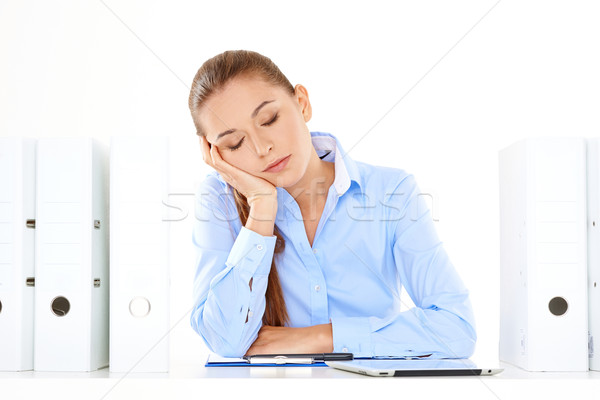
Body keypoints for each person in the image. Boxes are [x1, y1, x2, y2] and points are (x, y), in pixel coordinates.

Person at [188, 50, 476, 358]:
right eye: (235, 144)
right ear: (216, 155)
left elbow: (455, 329)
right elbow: (227, 341)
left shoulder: (392, 192)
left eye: (269, 119)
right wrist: (261, 207)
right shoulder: (219, 201)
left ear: (302, 103)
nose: (262, 148)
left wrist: (315, 339)